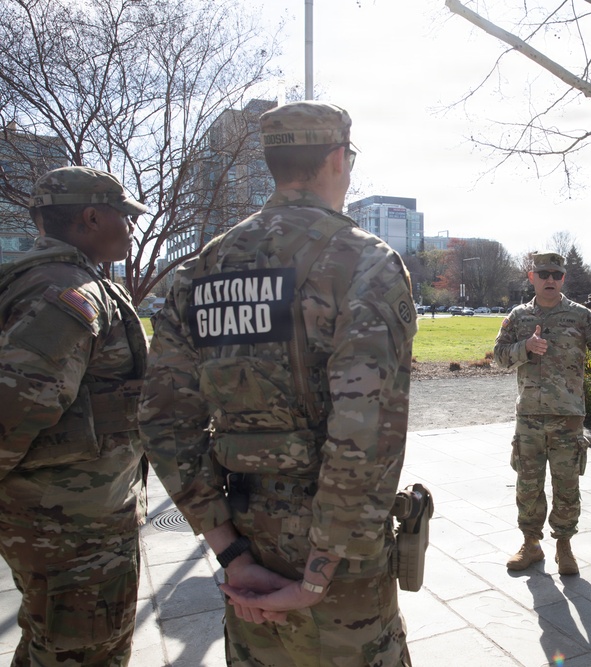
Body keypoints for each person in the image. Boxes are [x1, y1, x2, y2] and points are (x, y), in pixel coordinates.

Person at [140, 101, 417, 666]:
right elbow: (365, 430)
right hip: (337, 560)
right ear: (338, 159)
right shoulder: (364, 262)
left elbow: (163, 419)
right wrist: (317, 576)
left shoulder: (199, 271)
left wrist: (230, 552)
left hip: (246, 538)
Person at [0, 166, 148, 666]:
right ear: (90, 217)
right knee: (84, 653)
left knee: (52, 643)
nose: (131, 227)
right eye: (124, 216)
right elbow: (13, 406)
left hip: (57, 519)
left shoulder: (36, 280)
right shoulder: (68, 296)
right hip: (69, 529)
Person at [495, 251, 591, 575]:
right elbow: (499, 356)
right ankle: (531, 544)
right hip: (529, 416)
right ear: (532, 277)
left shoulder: (580, 316)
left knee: (567, 485)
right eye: (543, 273)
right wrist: (525, 349)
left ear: (563, 278)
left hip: (567, 416)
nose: (550, 279)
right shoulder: (518, 317)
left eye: (556, 274)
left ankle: (564, 546)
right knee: (528, 485)